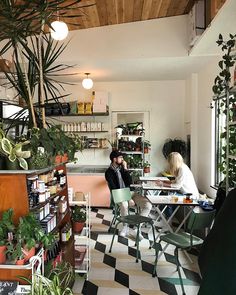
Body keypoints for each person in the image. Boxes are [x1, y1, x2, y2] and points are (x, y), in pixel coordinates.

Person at [105, 150, 152, 238]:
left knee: (148, 205)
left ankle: (136, 228)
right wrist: (127, 198)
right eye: (121, 158)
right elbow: (114, 189)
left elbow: (129, 182)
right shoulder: (108, 172)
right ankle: (125, 227)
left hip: (131, 193)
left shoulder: (122, 169)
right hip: (119, 194)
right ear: (114, 159)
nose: (123, 159)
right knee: (124, 204)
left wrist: (126, 169)